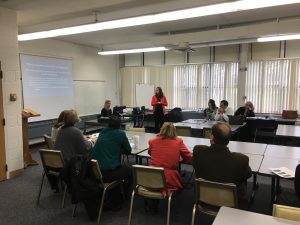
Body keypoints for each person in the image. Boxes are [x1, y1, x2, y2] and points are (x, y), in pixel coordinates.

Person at [192, 122, 252, 207]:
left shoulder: (198, 151)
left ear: (212, 137)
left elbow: (194, 164)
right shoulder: (241, 160)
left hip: (203, 199)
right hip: (231, 204)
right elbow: (248, 175)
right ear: (228, 140)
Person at [91, 116, 132, 208]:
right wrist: (120, 148)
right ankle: (123, 196)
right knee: (131, 171)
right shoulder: (120, 134)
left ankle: (117, 191)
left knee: (121, 167)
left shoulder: (102, 132)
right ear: (120, 125)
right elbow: (129, 151)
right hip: (107, 173)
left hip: (95, 172)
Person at [148, 122, 192, 192]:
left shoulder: (152, 141)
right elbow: (189, 157)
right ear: (174, 131)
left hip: (153, 176)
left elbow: (150, 153)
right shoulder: (178, 141)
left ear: (161, 130)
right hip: (169, 179)